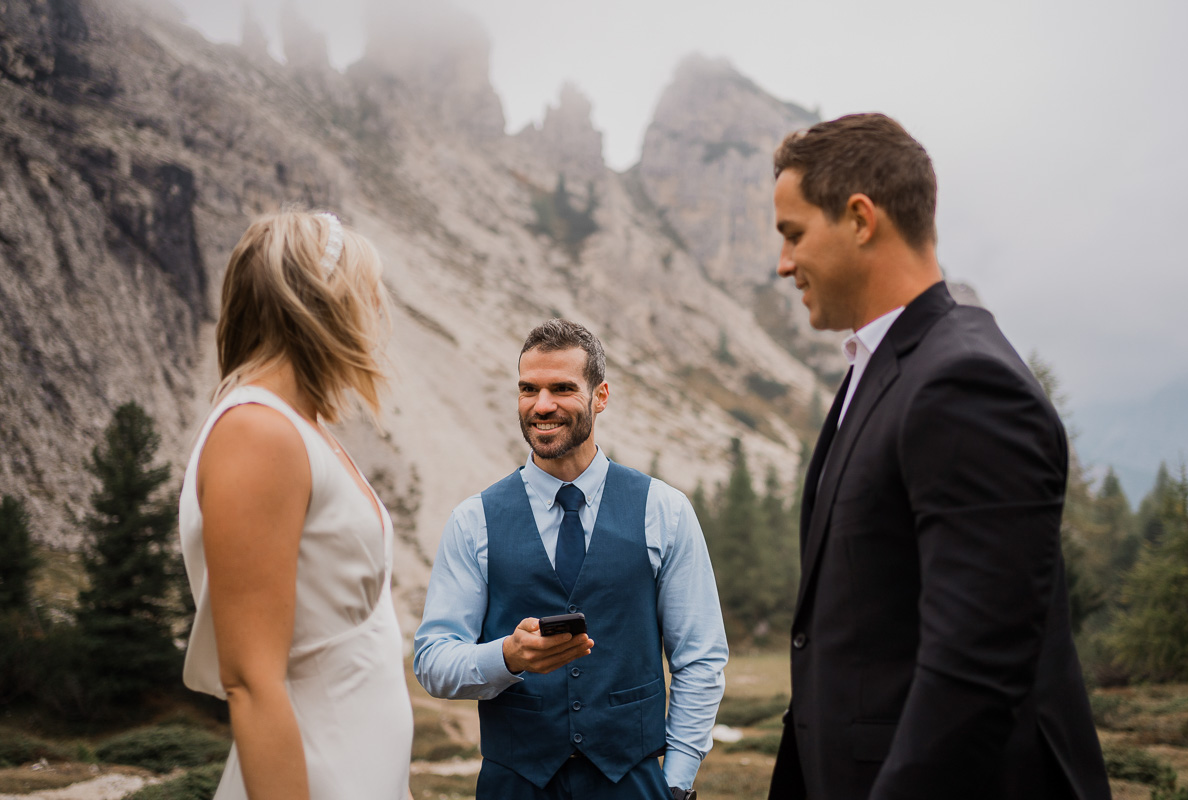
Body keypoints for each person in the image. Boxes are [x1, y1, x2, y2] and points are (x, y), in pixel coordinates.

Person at [767, 114, 1110, 800]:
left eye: (794, 234)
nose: (783, 263)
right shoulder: (887, 369)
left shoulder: (965, 385)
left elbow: (974, 671)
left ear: (861, 219)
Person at [414, 319, 728, 800]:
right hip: (513, 785)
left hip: (635, 782)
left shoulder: (665, 510)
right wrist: (507, 657)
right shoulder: (472, 520)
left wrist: (677, 780)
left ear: (600, 396)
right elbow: (433, 660)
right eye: (528, 389)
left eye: (562, 388)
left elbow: (700, 656)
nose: (542, 405)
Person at [178, 210, 414, 800]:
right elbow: (252, 682)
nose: (377, 310)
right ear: (323, 300)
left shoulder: (300, 429)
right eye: (368, 291)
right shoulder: (257, 432)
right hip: (315, 777)